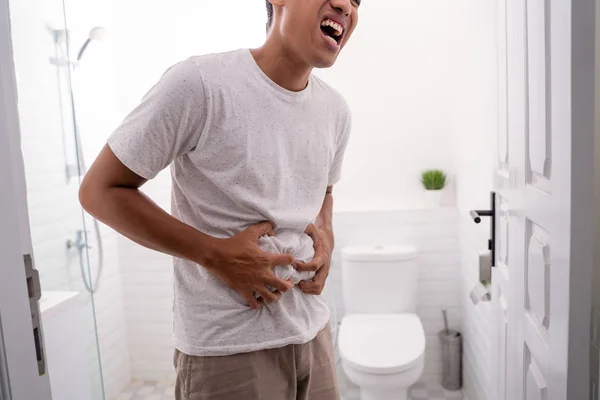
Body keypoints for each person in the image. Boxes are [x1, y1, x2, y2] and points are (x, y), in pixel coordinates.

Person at [79, 0, 360, 398]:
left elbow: (324, 189)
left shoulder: (335, 111)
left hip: (312, 333)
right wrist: (214, 254)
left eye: (358, 0)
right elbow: (99, 190)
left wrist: (326, 236)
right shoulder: (199, 84)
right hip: (226, 350)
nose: (346, 4)